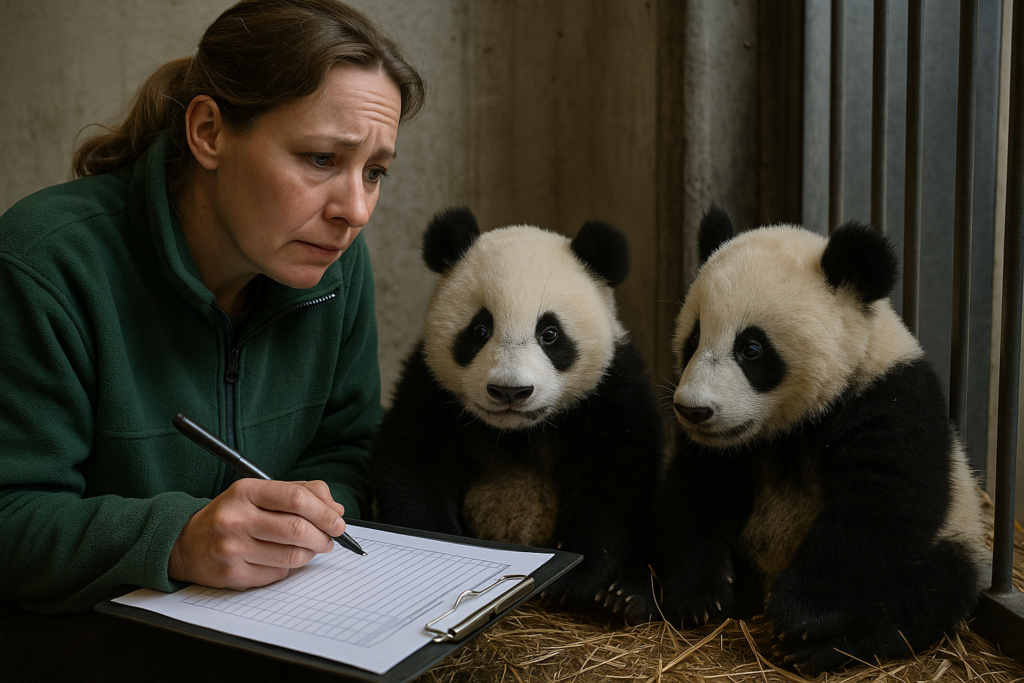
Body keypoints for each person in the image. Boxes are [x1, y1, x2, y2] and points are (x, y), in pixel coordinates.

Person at [0, 0, 425, 678]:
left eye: (375, 171)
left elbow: (345, 444)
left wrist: (312, 515)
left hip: (268, 621)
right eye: (321, 158)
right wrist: (176, 539)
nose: (356, 209)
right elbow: (10, 515)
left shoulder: (336, 268)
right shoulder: (45, 265)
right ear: (208, 132)